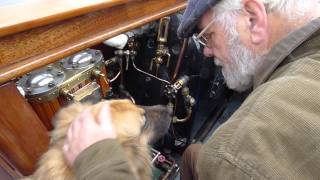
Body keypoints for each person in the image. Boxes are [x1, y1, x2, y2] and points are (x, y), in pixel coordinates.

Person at [63, 0, 320, 179]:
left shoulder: (236, 155)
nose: (207, 52)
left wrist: (99, 161)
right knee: (192, 155)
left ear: (253, 19)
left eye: (208, 36)